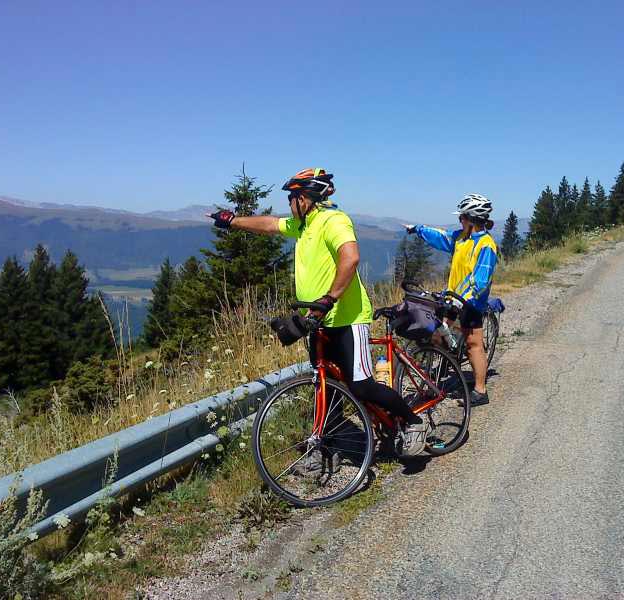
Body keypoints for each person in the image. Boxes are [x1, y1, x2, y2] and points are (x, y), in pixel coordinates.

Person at [210, 168, 426, 454]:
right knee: (327, 384)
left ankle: (412, 421)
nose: (288, 203)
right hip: (317, 320)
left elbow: (351, 258)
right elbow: (271, 224)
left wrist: (329, 298)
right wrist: (232, 221)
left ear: (305, 198)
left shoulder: (333, 220)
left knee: (360, 386)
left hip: (347, 319)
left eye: (292, 197)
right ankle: (330, 447)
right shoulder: (303, 224)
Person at [405, 193, 498, 406]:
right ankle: (447, 366)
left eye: (462, 217)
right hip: (452, 298)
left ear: (471, 219)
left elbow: (481, 280)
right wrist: (417, 229)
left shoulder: (486, 245)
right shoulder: (461, 238)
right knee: (438, 335)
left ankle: (480, 390)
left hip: (471, 303)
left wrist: (463, 299)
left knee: (473, 344)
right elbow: (441, 237)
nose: (460, 221)